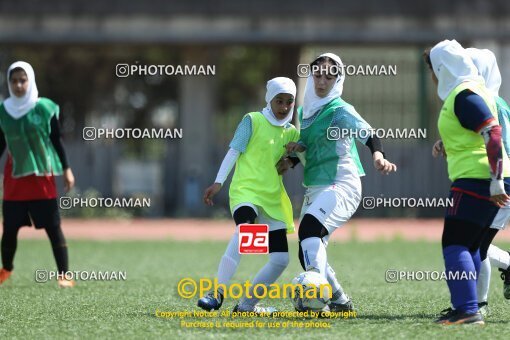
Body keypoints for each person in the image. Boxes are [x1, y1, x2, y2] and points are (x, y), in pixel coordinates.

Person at [285, 53, 397, 312]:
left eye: (329, 76)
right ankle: (340, 301)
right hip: (315, 187)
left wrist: (378, 156)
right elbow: (309, 150)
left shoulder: (340, 110)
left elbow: (370, 135)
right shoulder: (305, 111)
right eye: (317, 74)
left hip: (342, 184)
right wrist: (290, 160)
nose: (322, 81)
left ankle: (321, 298)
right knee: (307, 252)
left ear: (338, 79)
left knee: (309, 231)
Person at [425, 40, 510, 325]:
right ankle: (468, 306)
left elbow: (493, 133)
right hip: (482, 178)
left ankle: (467, 310)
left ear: (442, 67)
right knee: (471, 246)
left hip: (477, 179)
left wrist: (496, 180)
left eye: (433, 70)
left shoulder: (464, 94)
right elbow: (473, 135)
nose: (433, 77)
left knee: (455, 244)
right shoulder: (470, 92)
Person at [197, 77, 299, 314]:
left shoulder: (291, 131)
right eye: (279, 101)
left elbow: (298, 155)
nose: (284, 107)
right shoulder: (252, 120)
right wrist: (218, 182)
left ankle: (246, 306)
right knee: (247, 229)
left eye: (289, 102)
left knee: (280, 260)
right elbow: (234, 151)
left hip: (272, 199)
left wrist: (290, 161)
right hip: (246, 192)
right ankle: (217, 293)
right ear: (269, 99)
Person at [0, 61, 76, 288]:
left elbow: (56, 141)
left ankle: (64, 275)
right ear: (9, 83)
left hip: (42, 178)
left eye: (23, 80)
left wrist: (67, 169)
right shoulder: (3, 111)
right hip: (15, 180)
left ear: (30, 81)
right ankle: (6, 269)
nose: (19, 85)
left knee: (53, 228)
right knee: (10, 229)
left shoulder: (44, 108)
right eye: (14, 81)